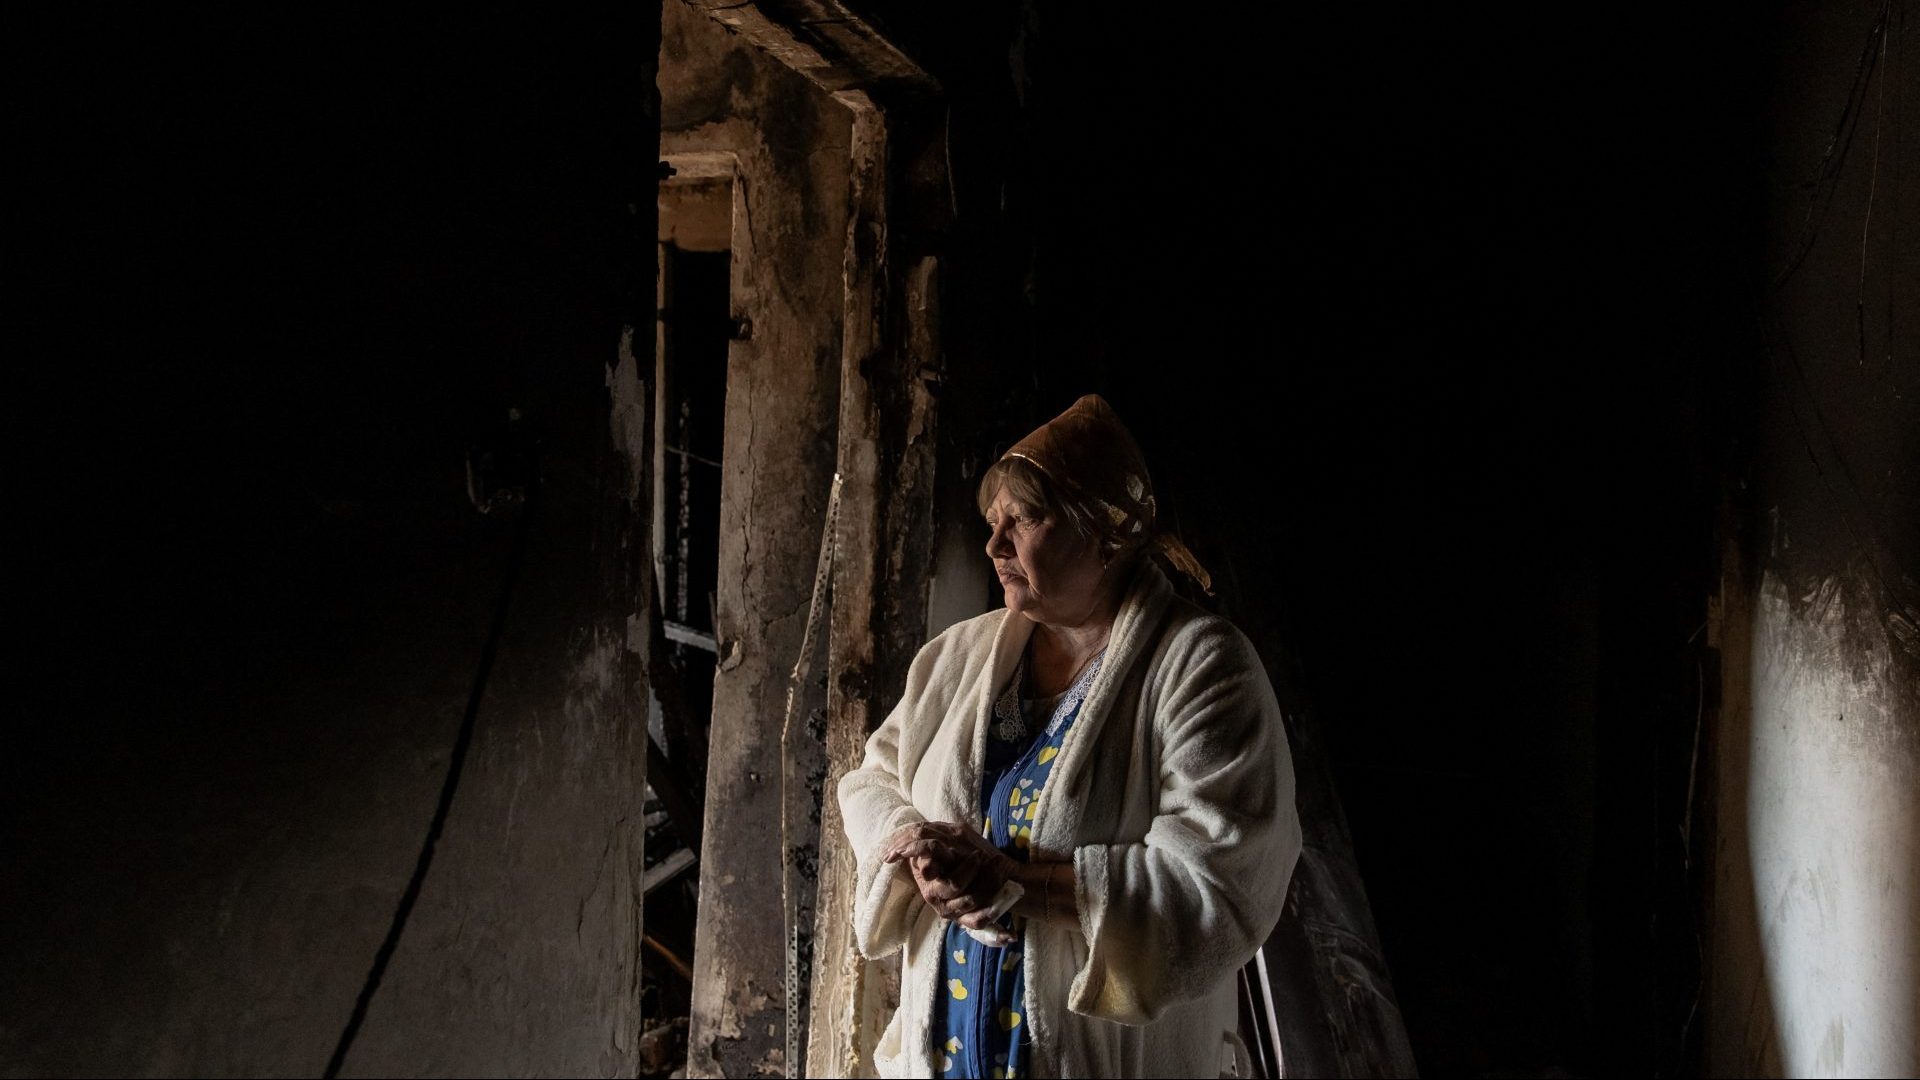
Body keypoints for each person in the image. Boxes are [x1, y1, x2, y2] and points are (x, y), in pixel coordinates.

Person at [837, 394, 1303, 1078]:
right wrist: (913, 845)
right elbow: (873, 779)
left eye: (1023, 520)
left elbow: (1218, 879)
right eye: (993, 523)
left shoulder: (1202, 667)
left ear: (1106, 531)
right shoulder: (960, 658)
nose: (995, 545)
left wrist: (1015, 883)